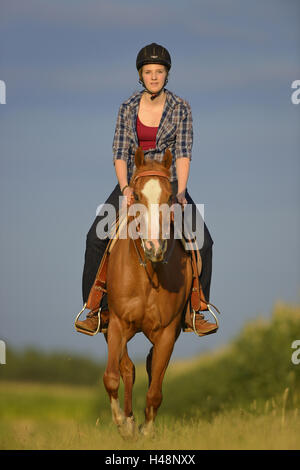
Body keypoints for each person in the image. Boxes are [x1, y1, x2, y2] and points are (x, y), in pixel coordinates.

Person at [77, 43, 217, 335]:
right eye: (149, 71)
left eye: (159, 71)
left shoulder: (181, 108)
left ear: (167, 75)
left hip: (169, 186)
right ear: (141, 75)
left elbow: (182, 153)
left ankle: (196, 310)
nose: (154, 76)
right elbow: (120, 154)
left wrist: (180, 192)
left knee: (204, 242)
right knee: (95, 238)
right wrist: (126, 188)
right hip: (133, 185)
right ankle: (96, 310)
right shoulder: (127, 108)